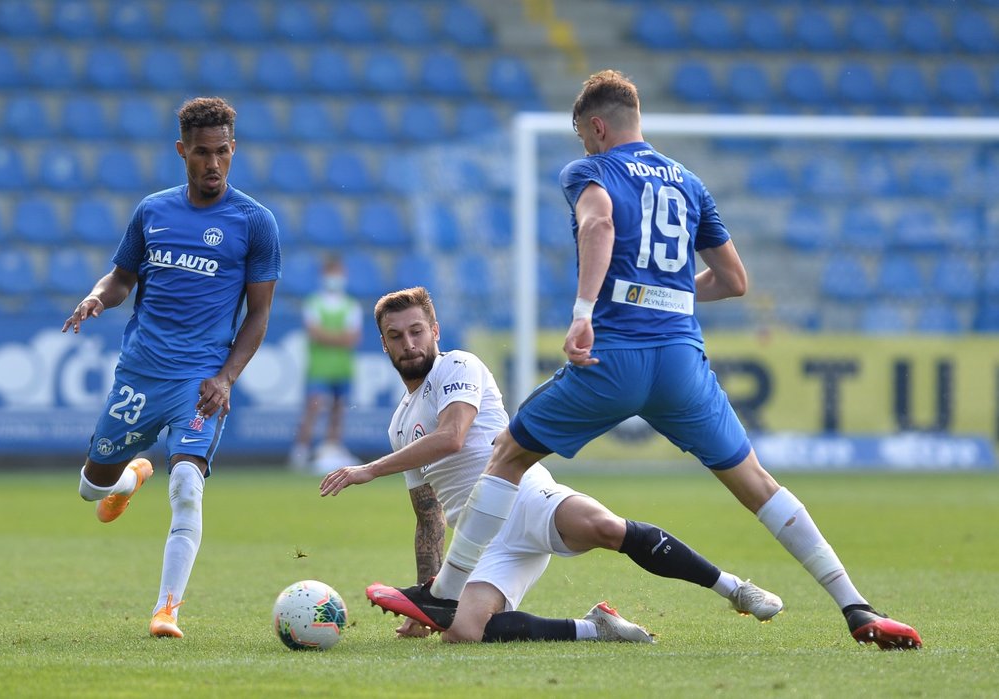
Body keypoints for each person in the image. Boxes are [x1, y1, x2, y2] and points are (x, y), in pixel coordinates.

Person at [373, 71, 922, 651]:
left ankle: (446, 590)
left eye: (585, 136)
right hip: (682, 363)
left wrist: (585, 310)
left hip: (613, 360)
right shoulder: (689, 183)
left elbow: (599, 222)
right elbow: (734, 281)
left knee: (506, 453)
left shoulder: (591, 171)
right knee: (758, 483)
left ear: (598, 126)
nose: (584, 147)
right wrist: (669, 292)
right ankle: (856, 606)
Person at [320, 287, 783, 643]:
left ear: (435, 331)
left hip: (522, 497)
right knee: (465, 632)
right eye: (396, 336)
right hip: (481, 543)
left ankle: (734, 589)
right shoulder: (399, 425)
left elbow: (452, 435)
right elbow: (427, 517)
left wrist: (368, 470)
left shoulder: (457, 366)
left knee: (605, 528)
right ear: (383, 345)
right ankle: (594, 627)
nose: (409, 343)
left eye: (417, 330)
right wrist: (430, 605)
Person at [62, 96, 281, 638]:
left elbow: (258, 316)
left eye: (223, 153)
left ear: (235, 150)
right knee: (91, 489)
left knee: (187, 484)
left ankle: (167, 609)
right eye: (202, 153)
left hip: (200, 381)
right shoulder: (152, 212)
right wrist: (96, 297)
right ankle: (130, 475)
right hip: (140, 372)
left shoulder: (255, 223)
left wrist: (226, 377)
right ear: (182, 151)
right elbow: (120, 279)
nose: (213, 164)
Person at [288, 256, 361, 472]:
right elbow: (315, 333)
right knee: (313, 408)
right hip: (319, 367)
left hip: (342, 367)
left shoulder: (351, 305)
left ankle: (331, 450)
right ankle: (300, 452)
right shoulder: (314, 303)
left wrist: (327, 336)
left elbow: (352, 338)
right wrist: (339, 338)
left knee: (338, 411)